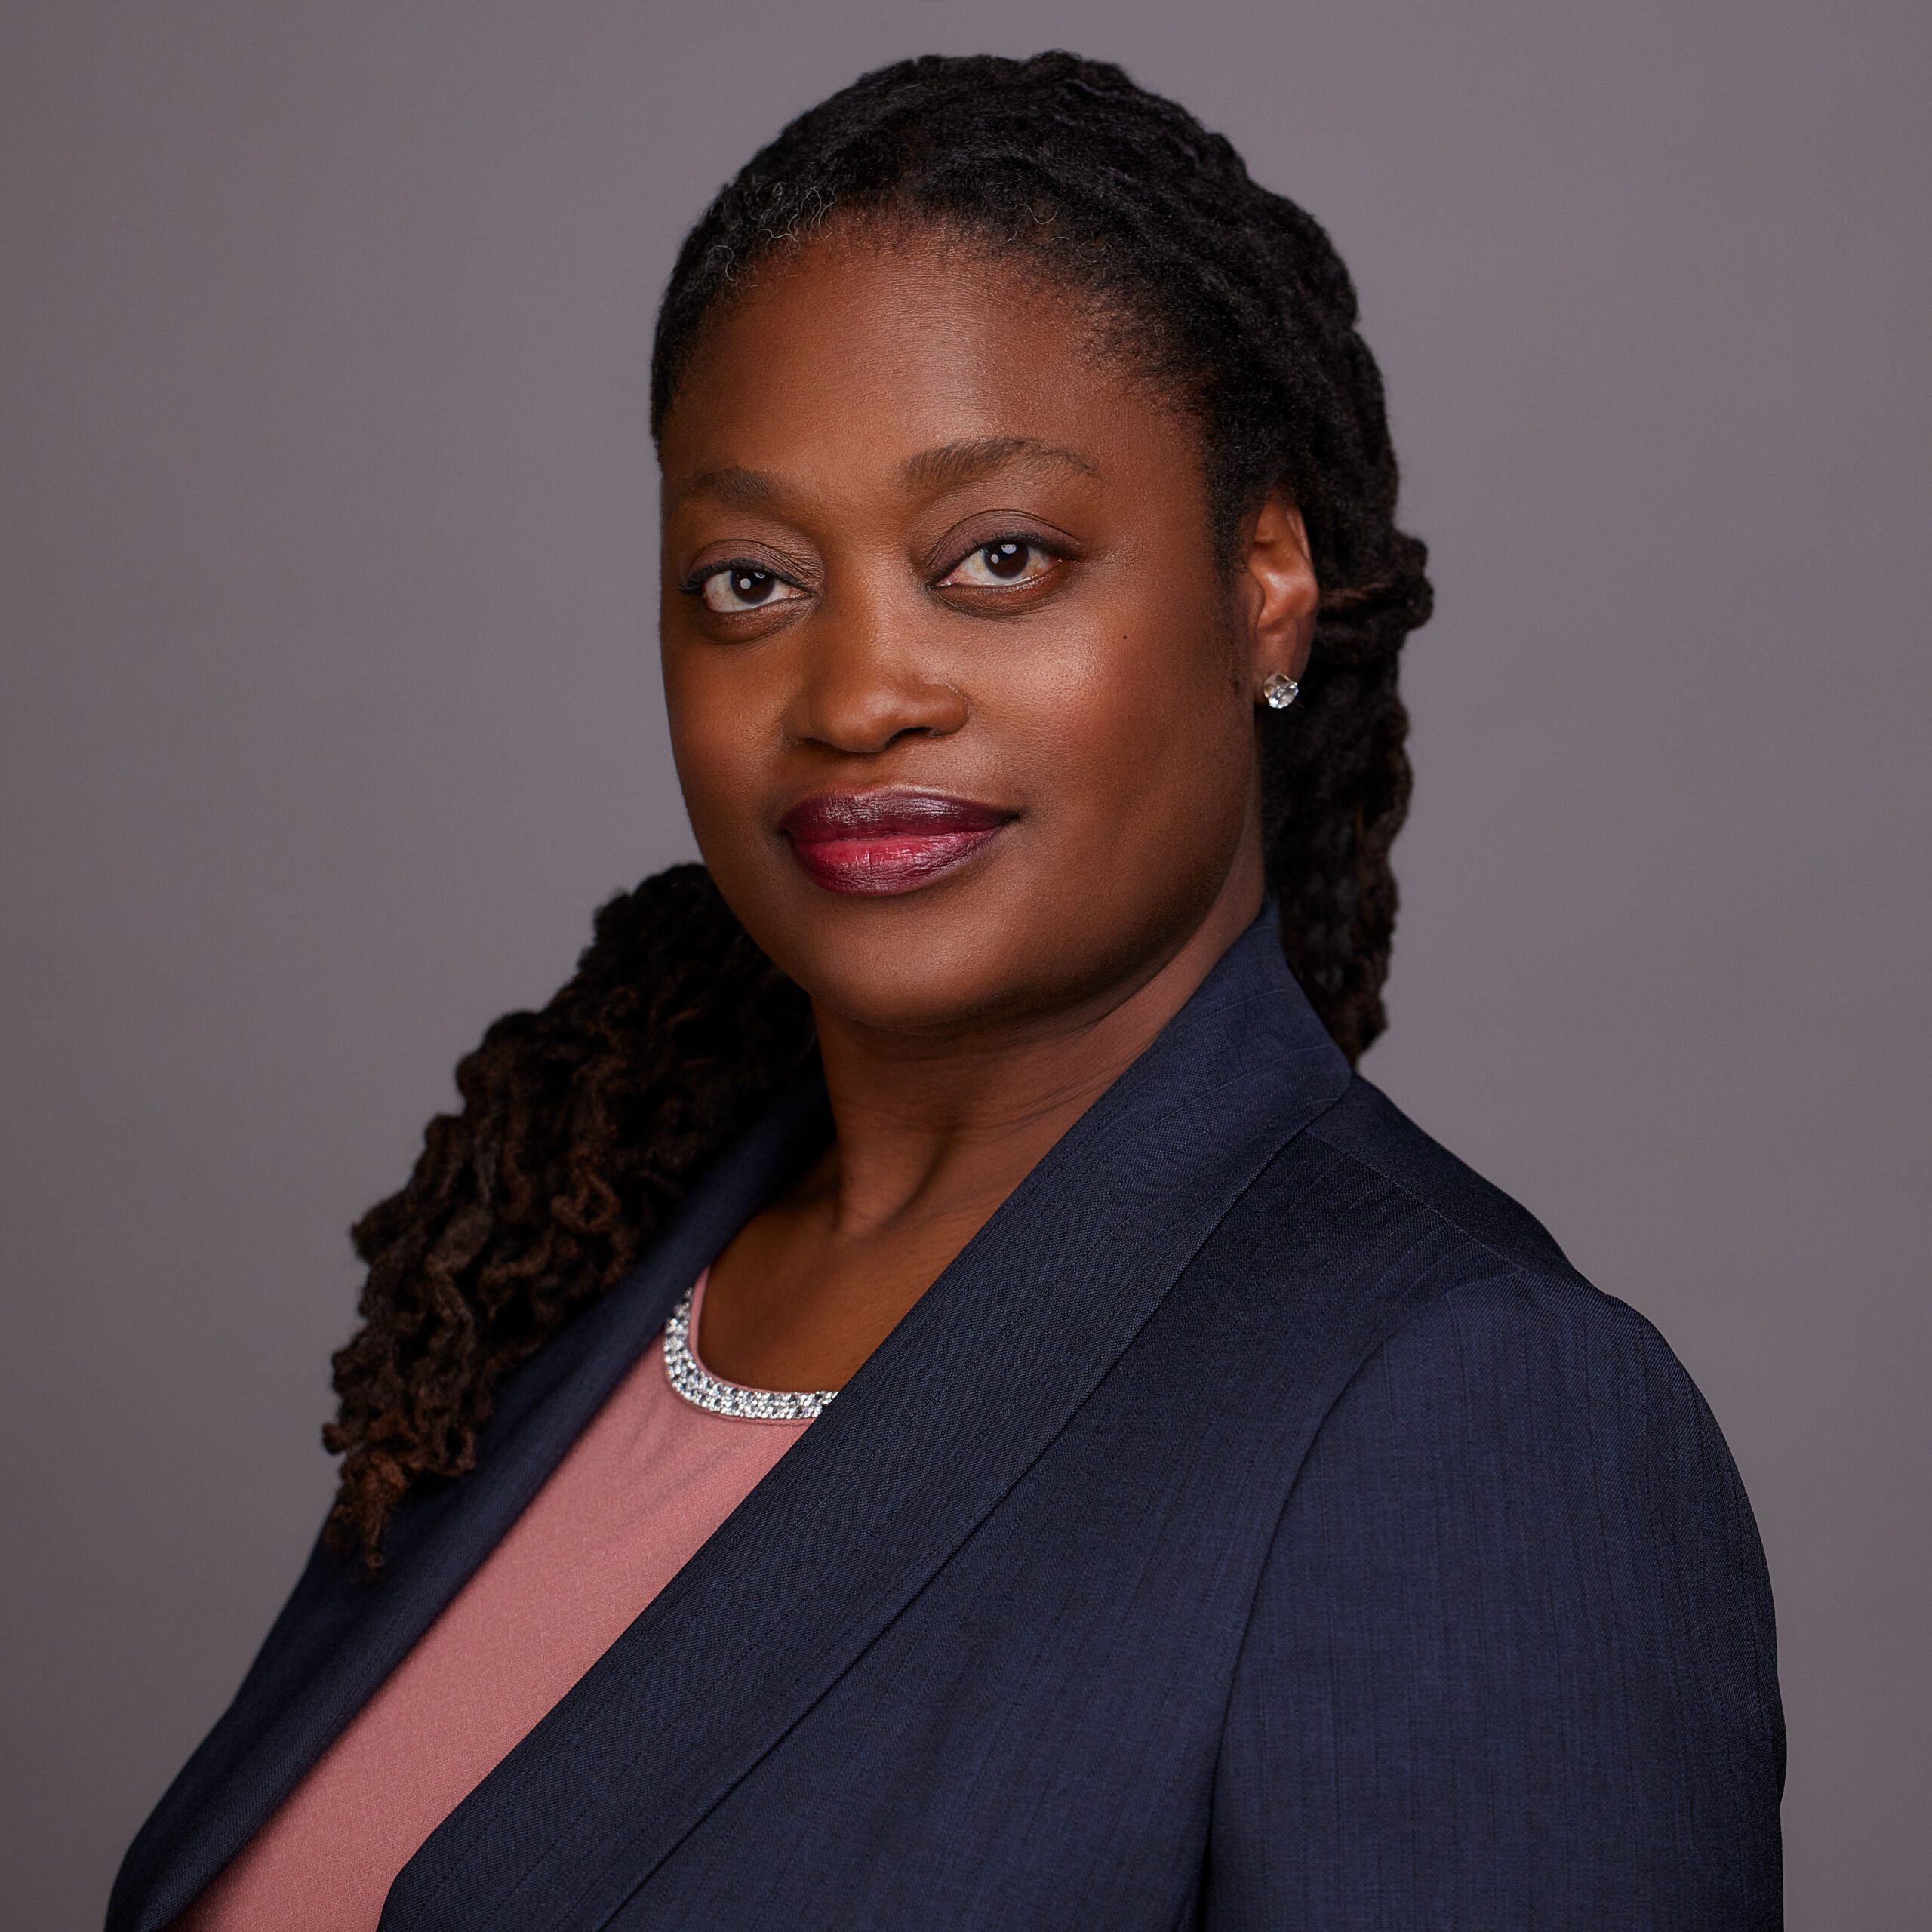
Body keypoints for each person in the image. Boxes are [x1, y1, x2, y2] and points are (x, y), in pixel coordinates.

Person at [109, 51, 1783, 1932]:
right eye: (746, 580)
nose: (852, 692)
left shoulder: (1466, 1415)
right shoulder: (562, 1287)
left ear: (1265, 583)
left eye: (997, 556)